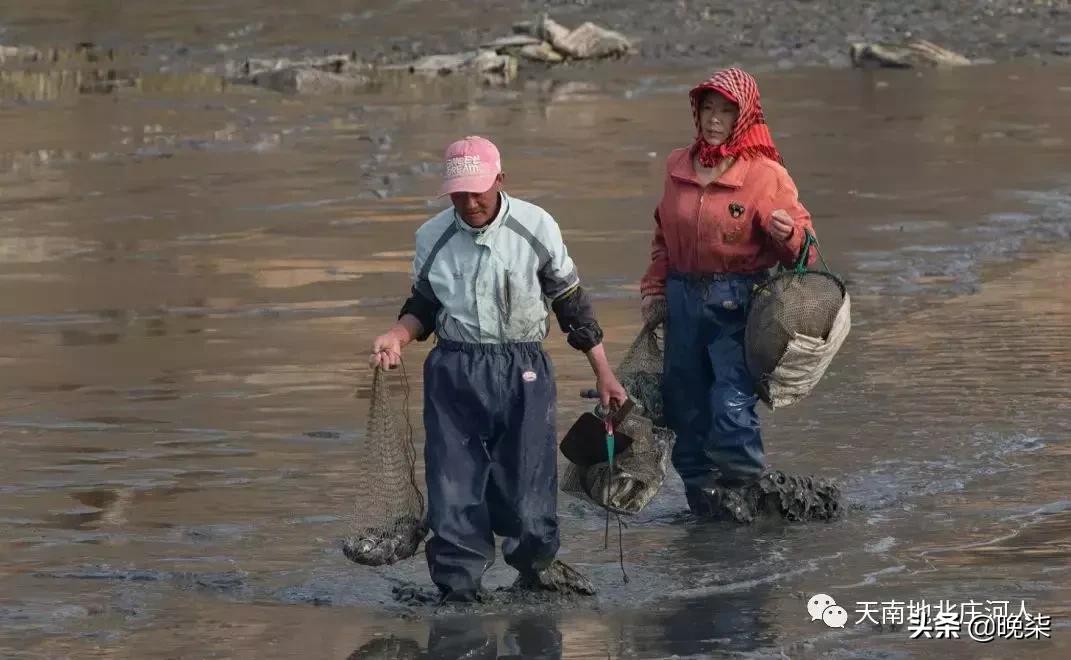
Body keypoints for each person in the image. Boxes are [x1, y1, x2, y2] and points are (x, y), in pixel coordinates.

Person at [369, 136, 628, 603]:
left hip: (523, 369)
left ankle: (535, 568)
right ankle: (459, 588)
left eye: (478, 192)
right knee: (452, 485)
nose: (469, 203)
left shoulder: (536, 226)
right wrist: (397, 336)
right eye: (458, 194)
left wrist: (603, 373)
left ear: (500, 182)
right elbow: (423, 307)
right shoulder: (433, 236)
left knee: (528, 488)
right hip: (454, 371)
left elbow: (573, 308)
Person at [639, 68, 818, 513]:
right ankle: (704, 506)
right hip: (682, 302)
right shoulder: (677, 166)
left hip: (739, 306)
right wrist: (653, 290)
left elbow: (806, 257)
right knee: (684, 411)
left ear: (744, 117)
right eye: (707, 108)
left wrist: (788, 234)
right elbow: (663, 237)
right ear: (696, 113)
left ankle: (750, 502)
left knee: (730, 408)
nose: (714, 119)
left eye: (725, 110)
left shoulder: (765, 175)